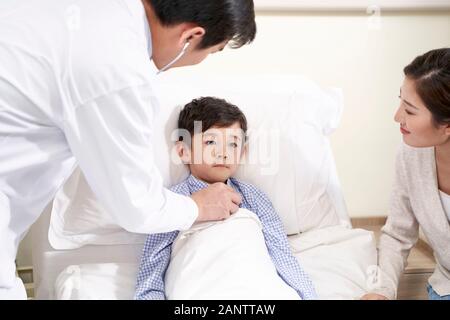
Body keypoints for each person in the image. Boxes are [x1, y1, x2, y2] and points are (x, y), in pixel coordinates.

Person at [0, 0, 256, 299]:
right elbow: (137, 206)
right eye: (212, 52)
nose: (223, 153)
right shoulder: (117, 70)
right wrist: (197, 206)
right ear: (190, 37)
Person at [134, 97, 317, 300]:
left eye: (233, 144)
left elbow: (282, 256)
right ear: (184, 151)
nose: (223, 153)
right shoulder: (172, 202)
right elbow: (151, 273)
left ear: (242, 153)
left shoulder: (253, 197)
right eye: (211, 141)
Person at [361, 48, 450, 300]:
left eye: (409, 111)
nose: (397, 116)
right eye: (401, 101)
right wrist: (382, 291)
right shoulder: (411, 154)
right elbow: (398, 233)